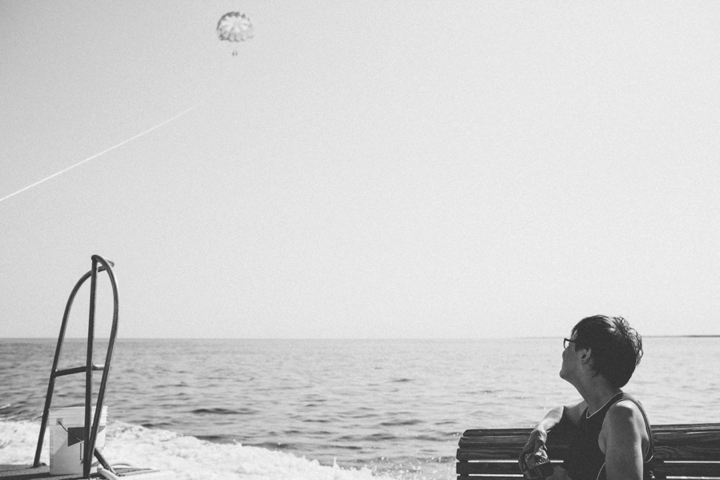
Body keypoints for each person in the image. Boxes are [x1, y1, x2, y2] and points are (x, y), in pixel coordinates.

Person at [520, 315, 654, 480]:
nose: (563, 352)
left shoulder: (622, 416)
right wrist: (541, 429)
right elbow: (563, 411)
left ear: (584, 354)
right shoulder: (594, 407)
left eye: (569, 344)